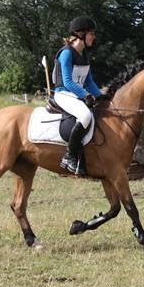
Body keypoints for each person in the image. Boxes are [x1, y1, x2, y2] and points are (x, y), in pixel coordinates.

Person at [51, 16, 105, 175]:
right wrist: (86, 95)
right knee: (86, 116)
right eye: (91, 34)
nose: (93, 37)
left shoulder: (85, 55)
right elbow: (67, 81)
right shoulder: (66, 53)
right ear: (81, 34)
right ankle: (69, 156)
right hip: (64, 94)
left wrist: (100, 96)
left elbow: (89, 81)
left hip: (78, 95)